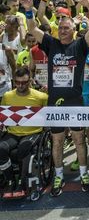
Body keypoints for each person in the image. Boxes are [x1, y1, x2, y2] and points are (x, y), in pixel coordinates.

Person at [21, 0, 89, 197]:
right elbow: (32, 28)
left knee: (79, 139)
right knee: (57, 141)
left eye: (67, 28)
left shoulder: (80, 46)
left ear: (73, 31)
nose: (63, 31)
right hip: (55, 101)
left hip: (75, 100)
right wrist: (29, 9)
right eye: (61, 28)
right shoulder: (51, 43)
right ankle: (58, 175)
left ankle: (83, 174)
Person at [0, 66, 48, 199]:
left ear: (30, 81)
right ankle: (10, 180)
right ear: (14, 81)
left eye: (24, 82)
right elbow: (2, 116)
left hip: (33, 132)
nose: (20, 85)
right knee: (1, 148)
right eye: (17, 82)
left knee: (23, 147)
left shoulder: (41, 96)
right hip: (13, 132)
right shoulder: (7, 96)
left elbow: (51, 114)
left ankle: (22, 181)